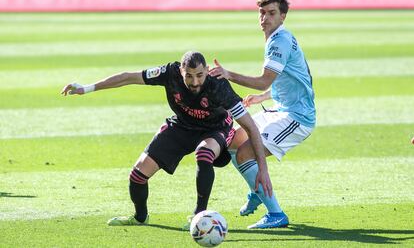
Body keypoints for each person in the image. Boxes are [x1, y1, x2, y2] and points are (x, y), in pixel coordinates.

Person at [61, 51, 272, 229]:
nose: (195, 81)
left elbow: (250, 127)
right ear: (181, 72)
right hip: (182, 125)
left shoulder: (219, 86)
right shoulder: (169, 73)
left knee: (204, 154)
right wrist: (86, 88)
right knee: (137, 176)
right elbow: (128, 77)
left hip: (215, 128)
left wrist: (263, 170)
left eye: (199, 75)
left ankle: (199, 216)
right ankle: (140, 218)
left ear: (207, 71)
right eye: (189, 76)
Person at [209, 0, 316, 229]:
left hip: (298, 118)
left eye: (271, 13)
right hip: (282, 108)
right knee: (235, 139)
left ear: (282, 16)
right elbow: (295, 77)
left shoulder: (280, 41)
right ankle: (257, 191)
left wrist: (228, 74)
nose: (265, 18)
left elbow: (265, 78)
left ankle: (276, 214)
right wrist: (264, 97)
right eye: (261, 12)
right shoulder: (277, 38)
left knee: (247, 153)